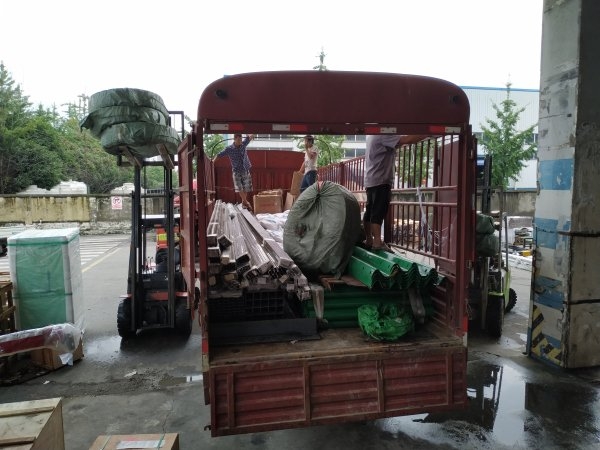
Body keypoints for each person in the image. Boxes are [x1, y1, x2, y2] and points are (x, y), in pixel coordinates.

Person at [363, 134, 426, 251]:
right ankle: (377, 242)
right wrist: (425, 133)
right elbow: (407, 139)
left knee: (370, 210)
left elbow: (399, 142)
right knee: (378, 211)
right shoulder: (382, 134)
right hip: (381, 179)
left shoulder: (371, 135)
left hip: (370, 179)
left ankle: (369, 239)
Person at [214, 133, 255, 210]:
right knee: (239, 188)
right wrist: (212, 162)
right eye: (238, 140)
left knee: (246, 188)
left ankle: (244, 202)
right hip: (236, 171)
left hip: (245, 169)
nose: (240, 141)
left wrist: (251, 135)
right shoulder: (229, 149)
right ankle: (246, 202)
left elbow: (250, 136)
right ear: (234, 139)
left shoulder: (243, 144)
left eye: (241, 139)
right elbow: (219, 155)